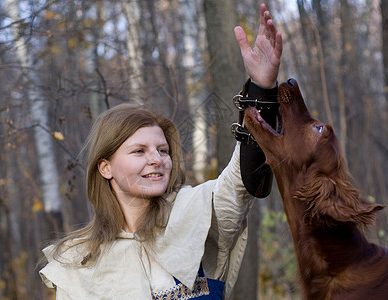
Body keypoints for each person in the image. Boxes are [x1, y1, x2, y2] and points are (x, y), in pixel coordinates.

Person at [39, 3, 283, 299]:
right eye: (139, 151)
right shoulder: (76, 264)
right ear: (105, 167)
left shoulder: (197, 215)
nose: (157, 160)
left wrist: (261, 90)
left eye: (163, 150)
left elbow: (241, 183)